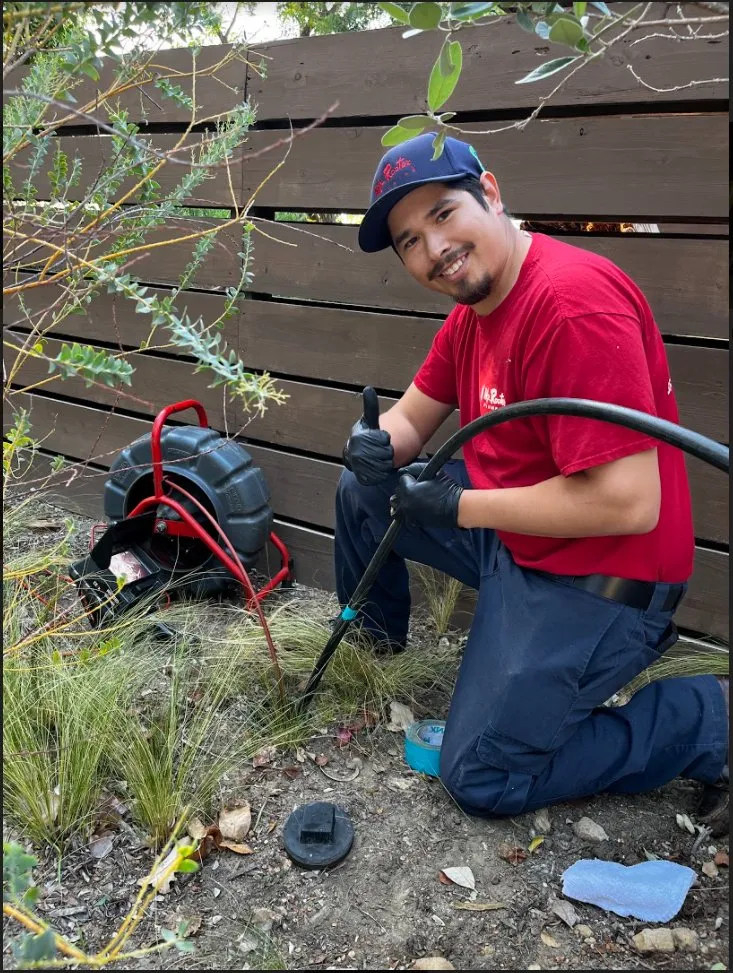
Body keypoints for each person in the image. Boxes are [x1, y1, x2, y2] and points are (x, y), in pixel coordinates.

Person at [335, 132, 728, 832]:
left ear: (489, 191)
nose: (433, 249)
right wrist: (372, 444)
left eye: (443, 214)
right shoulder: (471, 316)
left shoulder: (570, 304)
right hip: (518, 541)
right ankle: (374, 653)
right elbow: (409, 420)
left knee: (481, 777)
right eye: (409, 241)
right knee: (364, 490)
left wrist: (457, 506)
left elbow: (628, 503)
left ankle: (709, 721)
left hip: (603, 584)